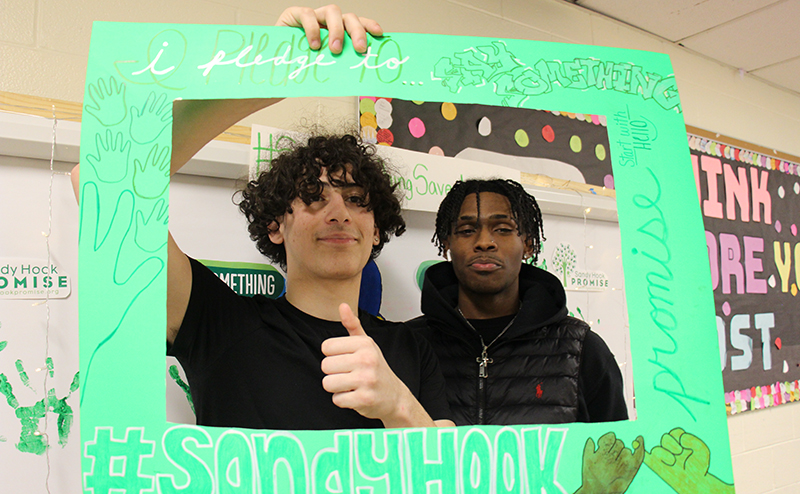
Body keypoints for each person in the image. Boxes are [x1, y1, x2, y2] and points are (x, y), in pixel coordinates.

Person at [73, 5, 453, 431]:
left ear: (376, 227)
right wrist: (261, 76)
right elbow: (102, 181)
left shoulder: (412, 348)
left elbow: (450, 490)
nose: (339, 212)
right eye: (314, 196)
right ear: (276, 225)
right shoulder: (218, 324)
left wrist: (398, 406)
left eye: (356, 198)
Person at [408, 178, 627, 425]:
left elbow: (614, 457)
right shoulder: (408, 346)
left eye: (502, 229)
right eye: (467, 230)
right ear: (447, 244)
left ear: (528, 244)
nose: (484, 242)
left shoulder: (582, 350)